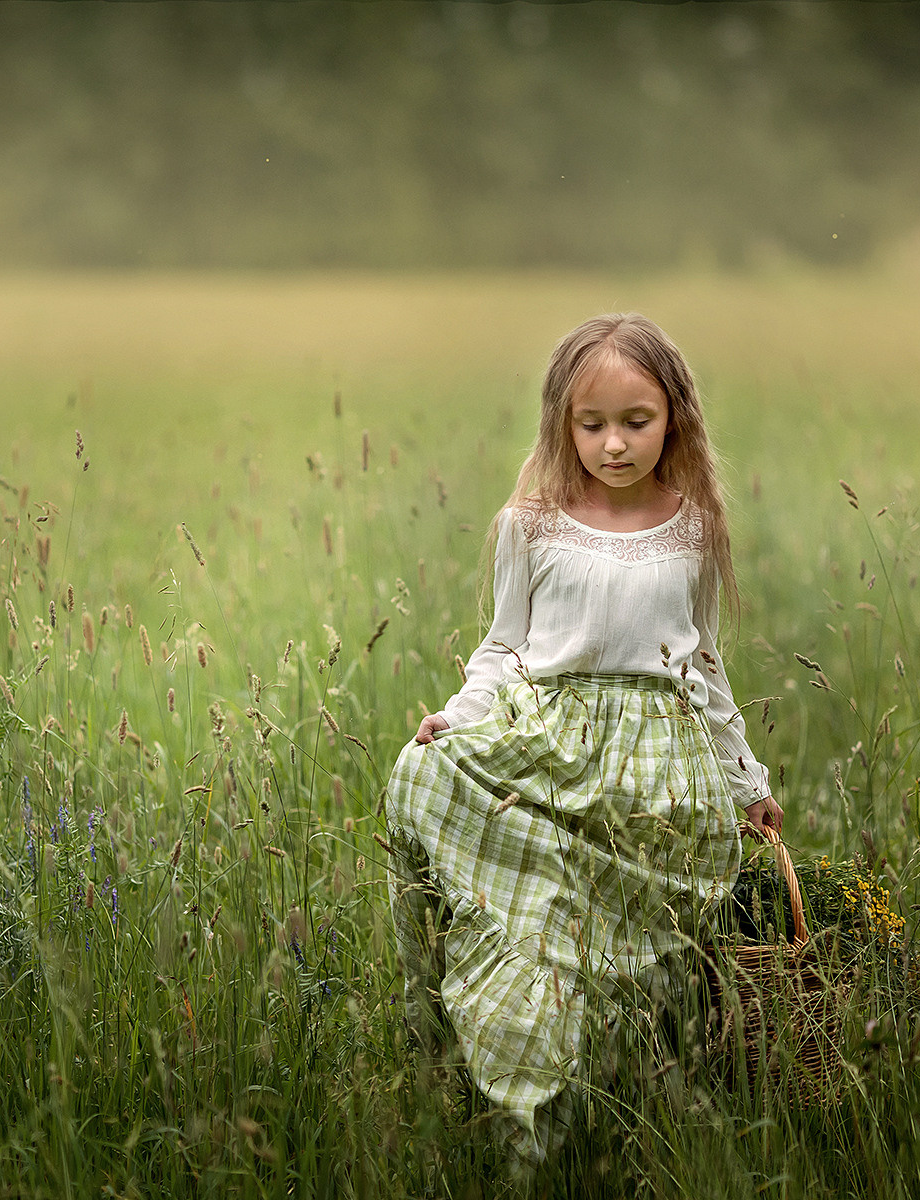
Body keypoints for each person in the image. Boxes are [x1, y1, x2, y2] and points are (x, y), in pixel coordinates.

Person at [383, 312, 784, 1165]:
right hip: (552, 748)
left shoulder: (694, 528)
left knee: (646, 957)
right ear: (564, 425)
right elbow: (504, 648)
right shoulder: (531, 525)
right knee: (432, 793)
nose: (614, 444)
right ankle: (526, 1105)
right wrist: (457, 718)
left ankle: (640, 1105)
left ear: (674, 416)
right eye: (592, 424)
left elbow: (702, 662)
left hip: (658, 766)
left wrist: (745, 780)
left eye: (636, 421)